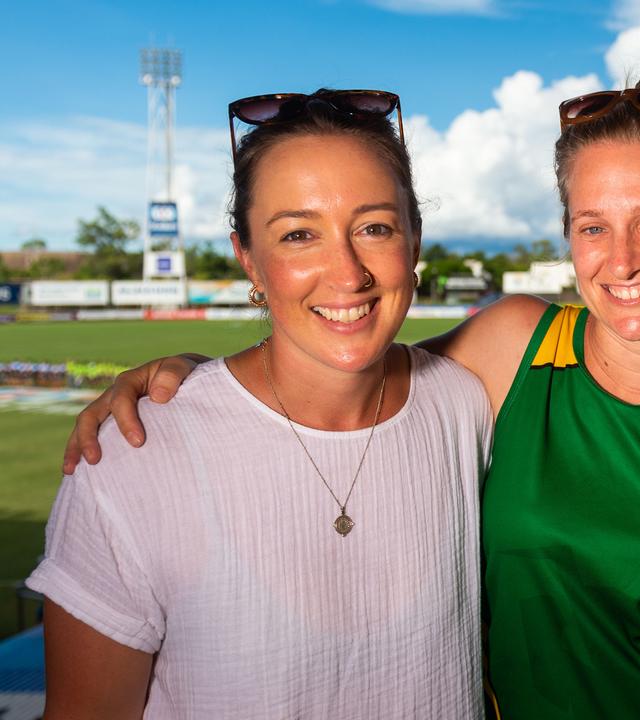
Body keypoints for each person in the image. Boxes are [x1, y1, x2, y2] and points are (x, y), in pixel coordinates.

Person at [60, 69, 640, 719]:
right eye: (592, 225)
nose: (623, 256)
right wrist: (192, 377)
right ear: (247, 256)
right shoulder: (510, 349)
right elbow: (338, 364)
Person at [29, 90, 491, 717]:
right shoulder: (133, 457)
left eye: (375, 227)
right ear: (248, 256)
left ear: (414, 241)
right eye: (299, 234)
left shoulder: (469, 404)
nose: (347, 271)